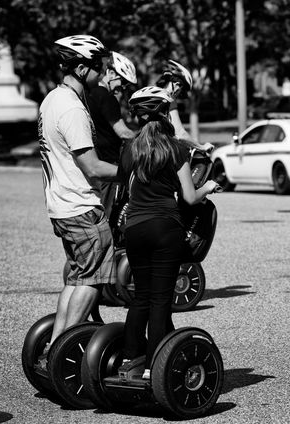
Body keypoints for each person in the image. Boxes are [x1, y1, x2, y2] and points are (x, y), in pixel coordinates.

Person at [118, 86, 220, 379]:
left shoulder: (129, 149)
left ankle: (130, 360)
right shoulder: (176, 149)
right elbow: (189, 197)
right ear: (165, 114)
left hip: (135, 229)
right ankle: (154, 368)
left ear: (138, 117)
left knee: (141, 298)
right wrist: (209, 187)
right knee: (161, 301)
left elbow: (127, 188)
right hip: (165, 228)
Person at [37, 35, 118, 367]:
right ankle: (61, 356)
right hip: (81, 207)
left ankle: (54, 347)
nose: (103, 71)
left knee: (77, 279)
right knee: (93, 281)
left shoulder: (52, 100)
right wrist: (136, 170)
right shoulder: (72, 108)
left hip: (61, 207)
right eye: (99, 66)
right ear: (82, 68)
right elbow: (92, 166)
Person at [87, 51, 138, 221]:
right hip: (110, 167)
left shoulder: (89, 94)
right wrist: (146, 142)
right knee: (109, 218)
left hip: (96, 161)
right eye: (122, 82)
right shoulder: (106, 97)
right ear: (110, 73)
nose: (122, 87)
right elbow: (123, 132)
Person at [156, 59, 213, 151]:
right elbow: (180, 134)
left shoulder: (151, 94)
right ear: (177, 85)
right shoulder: (168, 99)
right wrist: (201, 147)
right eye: (180, 92)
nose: (178, 95)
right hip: (160, 151)